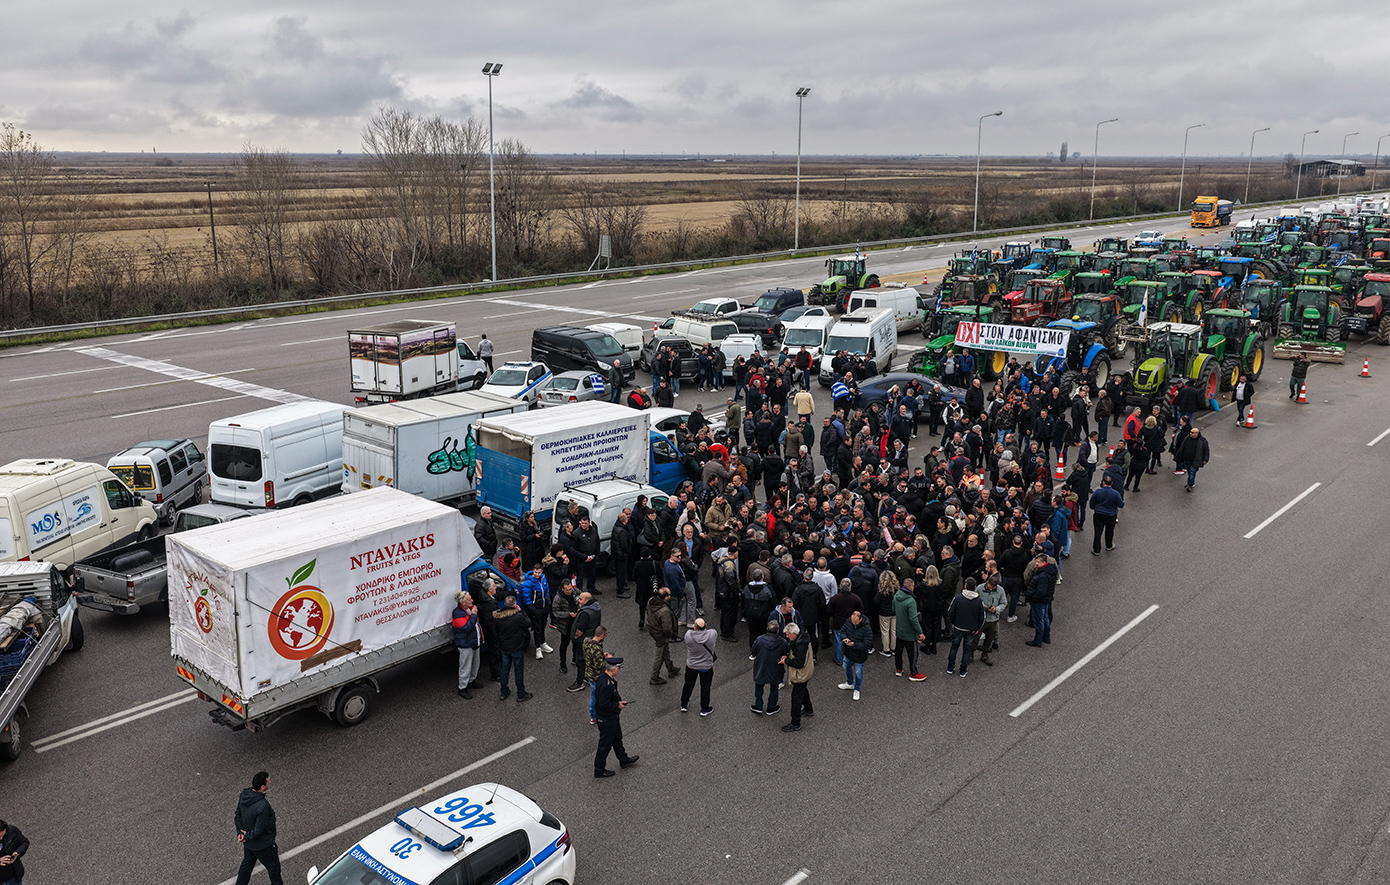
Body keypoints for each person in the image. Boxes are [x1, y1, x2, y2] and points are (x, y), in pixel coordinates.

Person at [593, 658, 639, 778]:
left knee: (617, 739)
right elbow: (603, 703)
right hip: (607, 719)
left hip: (611, 717)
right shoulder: (606, 685)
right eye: (619, 668)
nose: (619, 670)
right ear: (613, 669)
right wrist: (616, 705)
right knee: (605, 745)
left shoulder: (604, 678)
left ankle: (623, 759)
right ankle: (599, 770)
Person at [234, 772, 282, 885]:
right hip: (263, 844)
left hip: (249, 844)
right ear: (262, 787)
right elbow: (259, 829)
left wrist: (240, 833)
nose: (270, 781)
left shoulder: (244, 796)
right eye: (268, 780)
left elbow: (238, 815)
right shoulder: (262, 806)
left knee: (246, 867)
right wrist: (246, 836)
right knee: (274, 869)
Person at [492, 595, 533, 701]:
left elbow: (494, 633)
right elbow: (528, 623)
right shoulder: (517, 616)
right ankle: (521, 694)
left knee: (504, 669)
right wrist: (521, 612)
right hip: (517, 647)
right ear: (514, 605)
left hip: (504, 648)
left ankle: (503, 692)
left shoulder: (497, 617)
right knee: (518, 670)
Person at [945, 578, 985, 678]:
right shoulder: (979, 601)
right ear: (975, 588)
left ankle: (950, 667)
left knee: (954, 647)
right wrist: (977, 629)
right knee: (967, 650)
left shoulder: (958, 598)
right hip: (971, 629)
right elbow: (982, 618)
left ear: (965, 586)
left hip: (958, 627)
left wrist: (955, 623)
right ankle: (963, 671)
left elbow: (950, 612)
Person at [680, 617, 717, 716]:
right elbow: (712, 631)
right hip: (706, 666)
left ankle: (684, 704)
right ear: (705, 625)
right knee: (705, 687)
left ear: (695, 627)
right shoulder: (712, 634)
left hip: (692, 665)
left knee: (688, 684)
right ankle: (704, 709)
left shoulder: (688, 636)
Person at [782, 623, 815, 732]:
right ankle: (808, 709)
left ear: (794, 634)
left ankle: (795, 723)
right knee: (803, 689)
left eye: (788, 634)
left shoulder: (800, 646)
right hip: (807, 671)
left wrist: (786, 661)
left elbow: (799, 663)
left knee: (796, 698)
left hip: (801, 674)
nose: (787, 637)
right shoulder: (803, 638)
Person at [751, 621, 789, 715]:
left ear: (767, 629)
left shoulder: (760, 639)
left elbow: (753, 651)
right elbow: (786, 653)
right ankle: (771, 707)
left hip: (761, 667)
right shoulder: (783, 642)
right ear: (778, 630)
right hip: (776, 668)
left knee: (759, 686)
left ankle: (758, 706)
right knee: (774, 687)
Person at [892, 576, 927, 680]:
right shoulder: (911, 601)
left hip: (899, 629)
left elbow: (893, 609)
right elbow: (913, 619)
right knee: (913, 654)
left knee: (898, 651)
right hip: (910, 633)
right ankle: (913, 672)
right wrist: (920, 632)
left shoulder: (896, 596)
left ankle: (899, 669)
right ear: (911, 587)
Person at [647, 587, 681, 684]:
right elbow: (667, 628)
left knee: (665, 650)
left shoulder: (651, 601)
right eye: (669, 595)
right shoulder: (664, 611)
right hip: (660, 634)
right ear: (665, 597)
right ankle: (654, 677)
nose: (670, 596)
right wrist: (671, 635)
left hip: (654, 630)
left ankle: (671, 668)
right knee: (659, 655)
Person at [451, 591, 482, 699]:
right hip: (465, 644)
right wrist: (473, 615)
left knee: (475, 663)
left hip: (473, 641)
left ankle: (471, 681)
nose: (472, 601)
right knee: (465, 665)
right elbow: (466, 628)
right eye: (469, 599)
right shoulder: (457, 613)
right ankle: (462, 687)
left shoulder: (470, 608)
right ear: (463, 602)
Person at [1024, 551, 1058, 647]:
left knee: (1039, 621)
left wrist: (1033, 598)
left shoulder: (1043, 575)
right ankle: (1046, 637)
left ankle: (1038, 640)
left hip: (1039, 601)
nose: (1036, 564)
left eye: (1038, 562)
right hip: (1047, 599)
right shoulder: (1050, 570)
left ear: (1044, 562)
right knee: (1045, 618)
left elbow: (1041, 591)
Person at [837, 609, 872, 701]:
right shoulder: (849, 621)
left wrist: (854, 644)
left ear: (860, 619)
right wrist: (844, 638)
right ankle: (849, 683)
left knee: (858, 673)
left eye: (855, 622)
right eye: (852, 622)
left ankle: (857, 689)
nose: (853, 624)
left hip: (859, 656)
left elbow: (867, 644)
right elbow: (843, 631)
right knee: (846, 666)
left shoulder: (867, 628)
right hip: (848, 652)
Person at [1089, 475, 1125, 554]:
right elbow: (1121, 505)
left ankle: (1096, 549)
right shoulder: (1115, 494)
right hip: (1111, 515)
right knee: (1109, 531)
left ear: (1103, 483)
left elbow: (1091, 504)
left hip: (1099, 514)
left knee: (1098, 532)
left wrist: (1095, 508)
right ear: (1111, 483)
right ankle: (1109, 545)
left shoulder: (1097, 492)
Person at [976, 573, 1006, 667]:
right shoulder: (980, 588)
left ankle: (985, 655)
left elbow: (1004, 603)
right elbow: (974, 600)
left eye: (993, 587)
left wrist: (996, 609)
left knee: (990, 638)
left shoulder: (1000, 590)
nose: (991, 588)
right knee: (975, 638)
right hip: (981, 619)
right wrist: (981, 607)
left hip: (993, 619)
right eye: (990, 586)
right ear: (987, 583)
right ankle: (970, 655)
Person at [1175, 425, 1210, 492]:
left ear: (1197, 433)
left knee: (1192, 472)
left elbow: (1206, 451)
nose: (1190, 433)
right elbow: (1182, 447)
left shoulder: (1203, 441)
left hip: (1195, 461)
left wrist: (1205, 459)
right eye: (1190, 432)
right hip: (1186, 459)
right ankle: (1191, 482)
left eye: (1192, 432)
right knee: (1189, 472)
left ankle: (1189, 485)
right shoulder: (1187, 438)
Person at [0, 820, 28, 885]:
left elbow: (24, 842)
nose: (1, 839)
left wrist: (17, 852)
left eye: (2, 836)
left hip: (13, 879)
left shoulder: (12, 831)